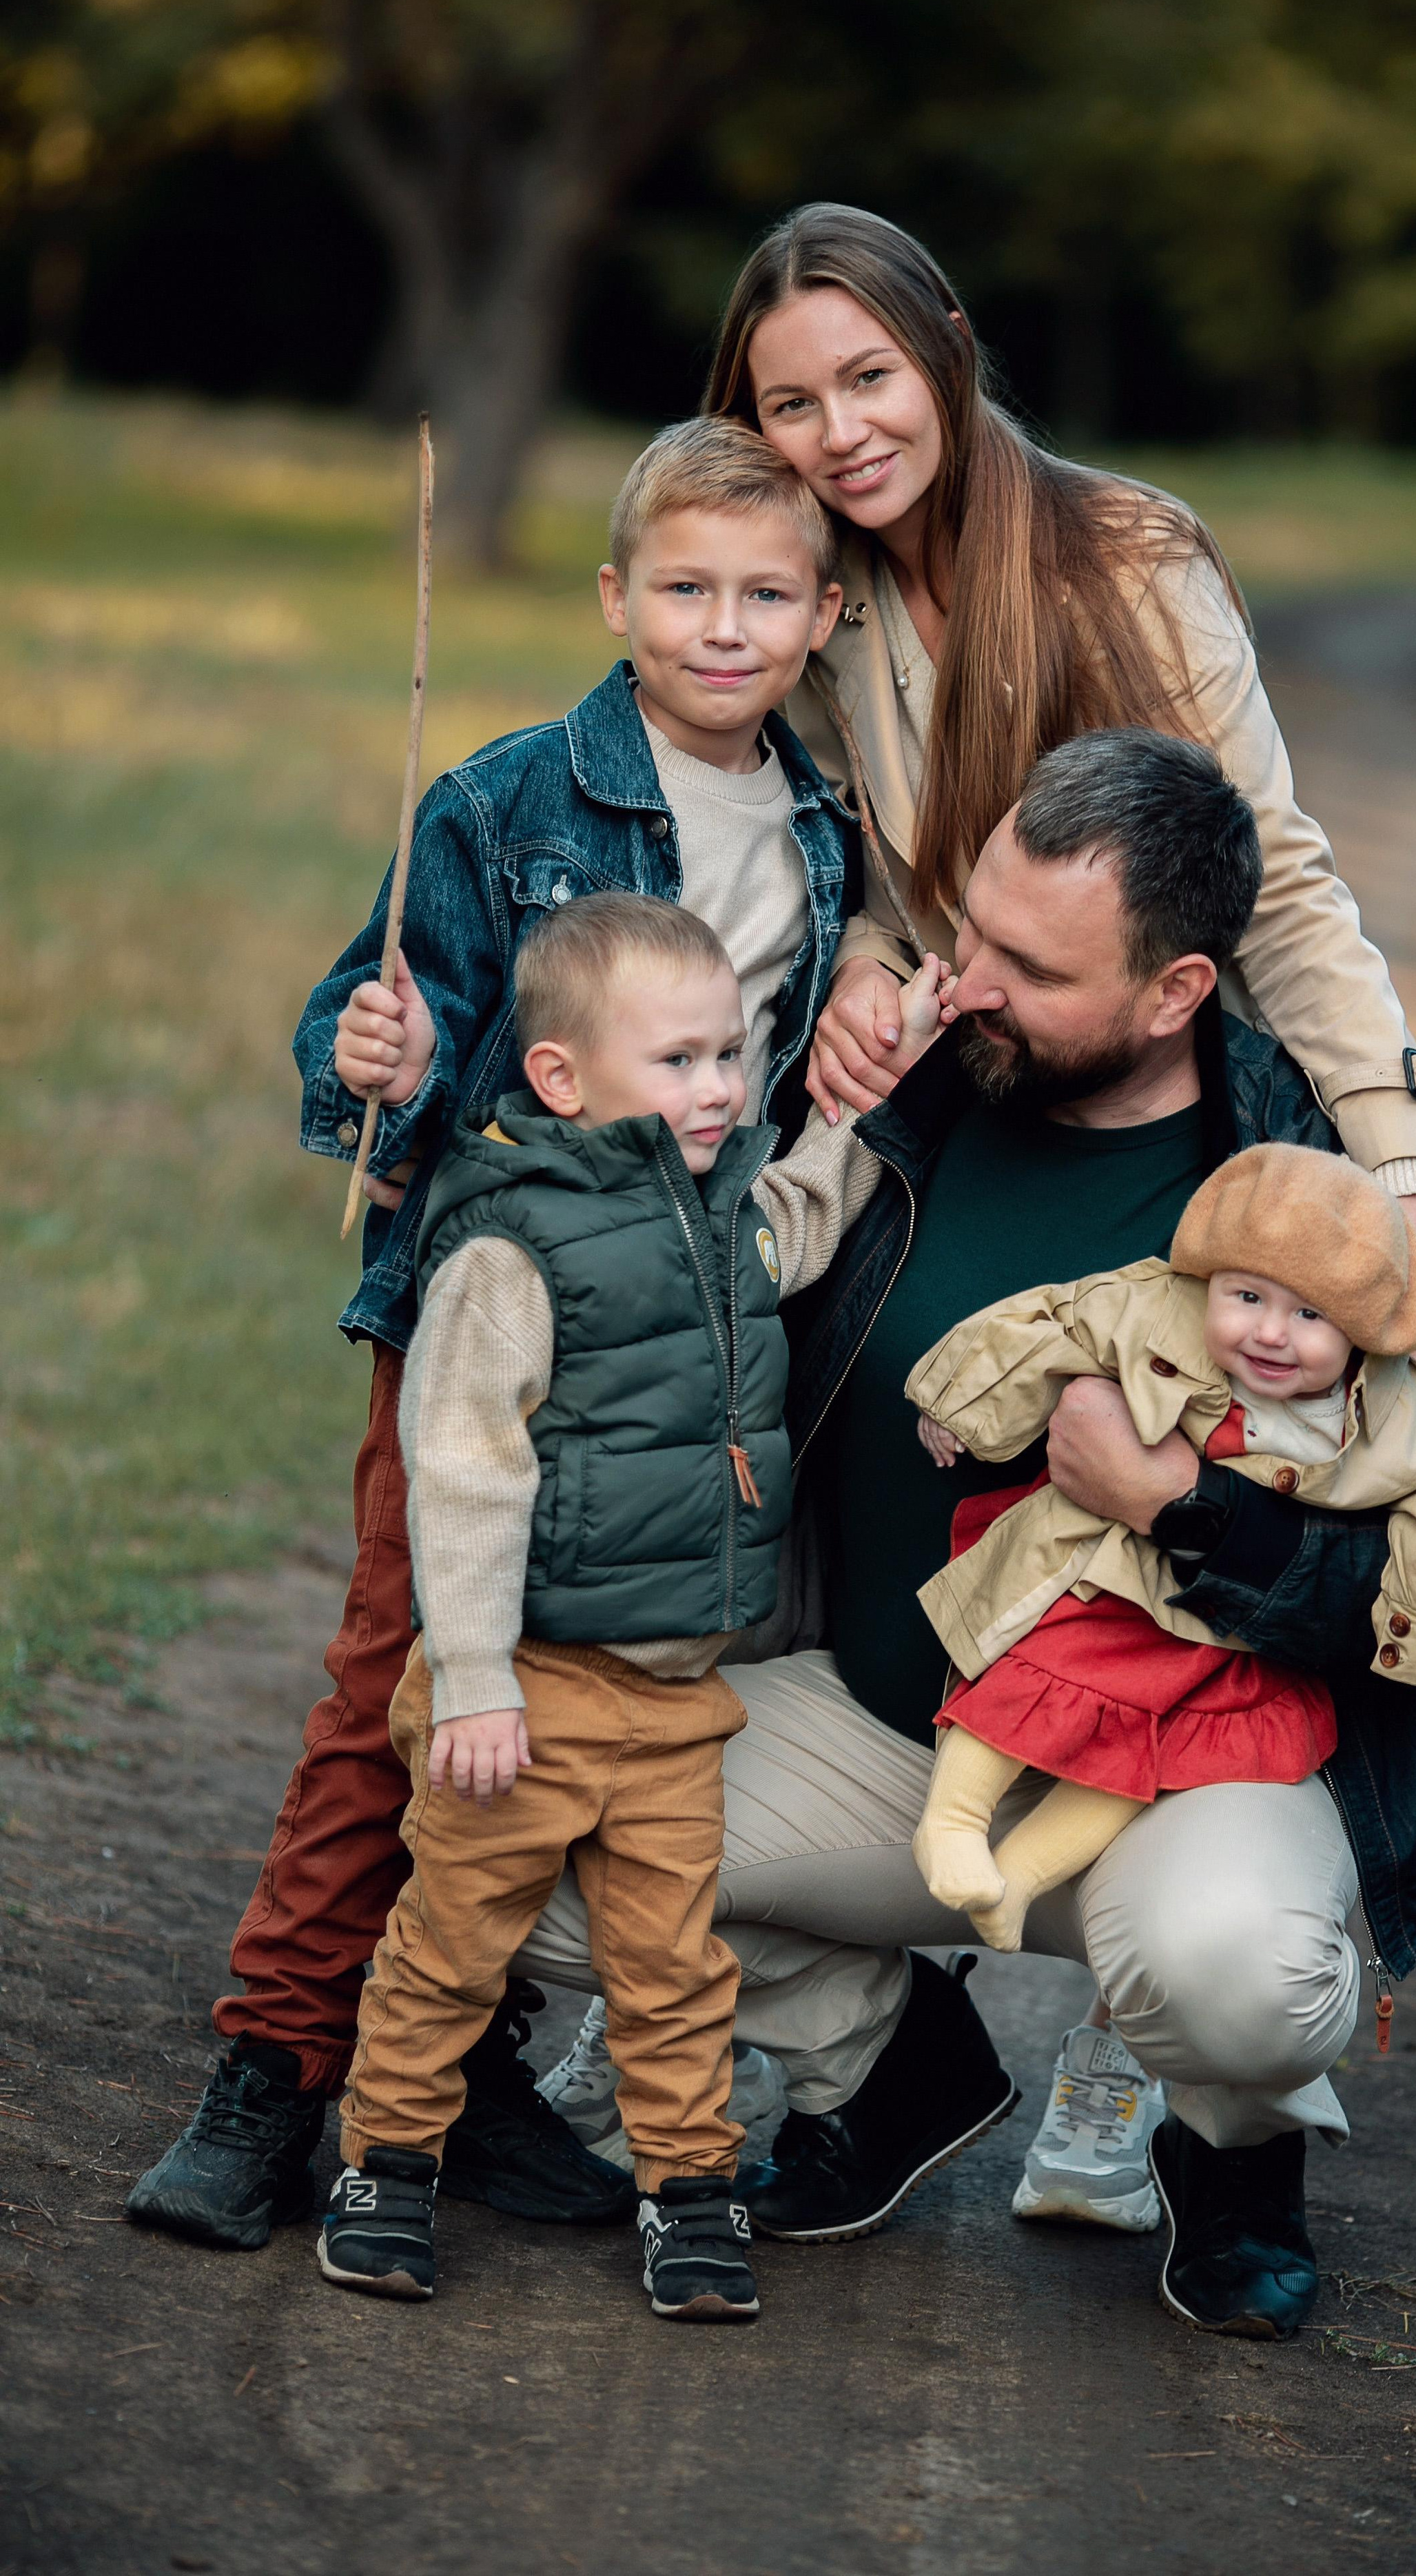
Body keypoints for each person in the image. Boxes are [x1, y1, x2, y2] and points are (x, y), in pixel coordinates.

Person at [699, 199, 1416, 2217]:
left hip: (1186, 1078)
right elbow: (797, 852)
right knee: (912, 1483)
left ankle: (1179, 2026)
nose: (835, 430)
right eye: (786, 401)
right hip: (962, 1064)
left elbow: (1277, 884)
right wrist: (840, 975)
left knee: (1247, 1497)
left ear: (949, 346)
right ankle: (898, 2014)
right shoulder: (803, 594)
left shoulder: (1122, 552)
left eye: (867, 377)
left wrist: (1401, 1170)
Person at [509, 727, 1416, 2340]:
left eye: (1027, 966)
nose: (965, 981)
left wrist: (1178, 1503)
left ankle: (1231, 2151)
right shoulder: (897, 1086)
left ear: (1173, 989)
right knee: (525, 1824)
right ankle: (891, 2060)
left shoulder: (1312, 1194)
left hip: (1186, 1769)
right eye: (963, 930)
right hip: (890, 1726)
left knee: (1237, 1980)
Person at [128, 416, 882, 2252]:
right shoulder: (509, 797)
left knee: (600, 1697)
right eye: (685, 588)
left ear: (824, 615)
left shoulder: (823, 838)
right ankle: (277, 2067)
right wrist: (364, 1063)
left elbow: (783, 1090)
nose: (723, 626)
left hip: (687, 1339)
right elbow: (365, 1023)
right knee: (405, 1680)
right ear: (616, 595)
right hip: (498, 1304)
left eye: (765, 594)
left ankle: (460, 2061)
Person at [316, 893, 946, 2318]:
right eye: (678, 1062)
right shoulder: (506, 1251)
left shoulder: (714, 1208)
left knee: (669, 1966)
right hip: (527, 1686)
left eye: (730, 1055)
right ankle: (385, 2164)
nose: (720, 1087)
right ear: (562, 1079)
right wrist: (471, 1675)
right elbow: (464, 1470)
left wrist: (874, 1092)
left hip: (672, 1698)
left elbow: (795, 1220)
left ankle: (689, 2190)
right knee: (451, 1943)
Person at [907, 1137, 1416, 1954]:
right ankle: (952, 1822)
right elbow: (1055, 1323)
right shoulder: (1160, 1305)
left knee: (1157, 1753)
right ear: (1211, 1277)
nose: (1270, 1333)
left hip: (1233, 1634)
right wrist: (962, 1401)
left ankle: (1019, 1876)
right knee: (1039, 1673)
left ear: (1364, 1329)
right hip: (1115, 1577)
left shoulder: (1412, 1417)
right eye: (1247, 1296)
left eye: (1310, 1315)